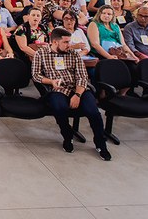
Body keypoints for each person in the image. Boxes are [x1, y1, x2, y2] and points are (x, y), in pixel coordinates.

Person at [31, 27, 112, 161]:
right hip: (58, 89)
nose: (69, 45)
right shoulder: (41, 53)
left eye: (69, 41)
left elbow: (82, 76)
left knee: (93, 112)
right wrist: (50, 81)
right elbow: (35, 75)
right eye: (66, 42)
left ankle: (100, 143)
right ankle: (67, 135)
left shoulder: (73, 54)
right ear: (55, 42)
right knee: (59, 108)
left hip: (77, 88)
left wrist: (78, 95)